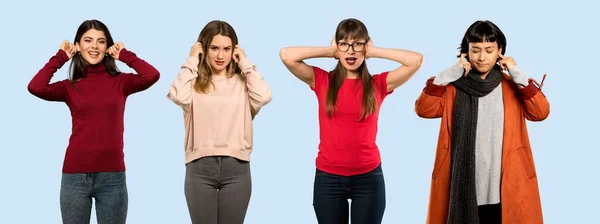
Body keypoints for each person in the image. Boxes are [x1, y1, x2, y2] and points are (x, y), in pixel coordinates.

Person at [279, 18, 423, 224]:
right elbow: (286, 55)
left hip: (368, 177)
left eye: (357, 44)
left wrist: (374, 51)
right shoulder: (322, 80)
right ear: (337, 47)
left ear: (365, 46)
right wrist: (330, 51)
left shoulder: (378, 84)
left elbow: (415, 60)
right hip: (328, 178)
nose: (351, 51)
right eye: (344, 44)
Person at [414, 20, 550, 224]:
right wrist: (447, 75)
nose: (481, 57)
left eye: (489, 50)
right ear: (466, 52)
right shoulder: (452, 87)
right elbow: (424, 109)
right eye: (475, 49)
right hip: (462, 187)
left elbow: (540, 112)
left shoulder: (512, 86)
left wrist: (517, 73)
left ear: (500, 51)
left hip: (506, 185)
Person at [27, 19, 160, 224]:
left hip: (113, 176)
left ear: (108, 47)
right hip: (75, 176)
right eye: (88, 40)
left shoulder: (121, 82)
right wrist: (60, 57)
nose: (94, 46)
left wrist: (124, 54)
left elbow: (152, 75)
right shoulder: (70, 86)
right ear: (78, 46)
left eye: (101, 41)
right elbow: (36, 87)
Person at [167, 20, 272, 224]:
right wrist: (191, 60)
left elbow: (264, 96)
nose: (220, 55)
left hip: (237, 168)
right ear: (203, 49)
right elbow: (178, 95)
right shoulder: (193, 83)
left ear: (234, 50)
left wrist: (245, 63)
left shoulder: (244, 84)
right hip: (199, 167)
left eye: (226, 49)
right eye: (214, 48)